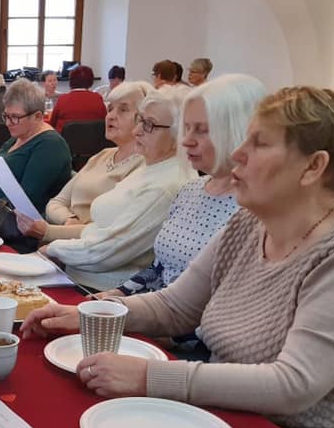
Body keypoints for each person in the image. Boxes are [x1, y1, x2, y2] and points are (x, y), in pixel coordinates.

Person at [22, 86, 334, 428]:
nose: (237, 153)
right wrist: (88, 314)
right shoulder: (250, 221)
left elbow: (294, 385)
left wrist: (151, 378)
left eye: (259, 143)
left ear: (313, 167)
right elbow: (176, 306)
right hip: (243, 419)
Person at [101, 74, 264, 301]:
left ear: (238, 131)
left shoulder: (255, 209)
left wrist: (130, 311)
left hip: (183, 330)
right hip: (156, 315)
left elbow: (223, 304)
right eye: (186, 129)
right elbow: (159, 268)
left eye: (202, 130)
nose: (186, 141)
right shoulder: (190, 190)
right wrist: (116, 296)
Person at [42, 90, 195, 289]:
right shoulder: (152, 168)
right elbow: (100, 231)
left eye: (149, 125)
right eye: (140, 120)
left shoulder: (166, 184)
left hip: (98, 290)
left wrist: (53, 249)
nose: (136, 131)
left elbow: (107, 252)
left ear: (180, 134)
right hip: (75, 273)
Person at [16, 81, 152, 242]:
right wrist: (68, 219)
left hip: (88, 251)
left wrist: (50, 231)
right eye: (110, 109)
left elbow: (110, 231)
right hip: (63, 241)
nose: (111, 116)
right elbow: (56, 202)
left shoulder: (144, 166)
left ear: (145, 120)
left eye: (123, 109)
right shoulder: (102, 156)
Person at [0, 78, 71, 239]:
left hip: (5, 227)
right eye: (6, 116)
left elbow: (23, 202)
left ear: (37, 116)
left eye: (15, 117)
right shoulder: (18, 137)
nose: (8, 123)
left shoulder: (50, 145)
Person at [50, 65, 107, 132]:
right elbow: (104, 121)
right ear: (90, 81)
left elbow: (52, 123)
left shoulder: (63, 99)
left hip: (65, 140)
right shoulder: (97, 98)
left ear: (71, 80)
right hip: (93, 140)